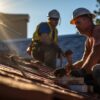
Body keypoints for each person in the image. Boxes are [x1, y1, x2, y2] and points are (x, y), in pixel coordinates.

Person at [66, 7, 100, 93]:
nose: (76, 27)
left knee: (96, 70)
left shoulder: (98, 30)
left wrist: (83, 72)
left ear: (87, 19)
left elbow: (96, 52)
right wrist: (71, 68)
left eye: (78, 23)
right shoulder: (88, 41)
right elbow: (85, 60)